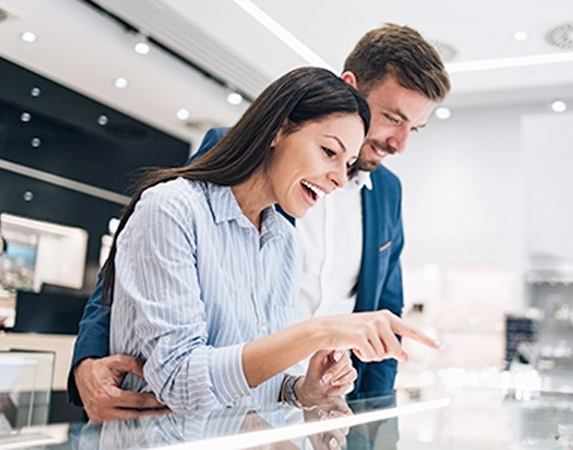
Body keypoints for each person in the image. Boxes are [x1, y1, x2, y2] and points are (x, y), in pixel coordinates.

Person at [69, 24, 450, 419]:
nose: (400, 143)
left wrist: (373, 423)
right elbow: (140, 263)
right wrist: (88, 361)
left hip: (289, 404)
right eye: (392, 118)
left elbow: (386, 312)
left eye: (414, 129)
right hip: (189, 410)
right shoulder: (210, 175)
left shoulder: (374, 198)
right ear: (350, 86)